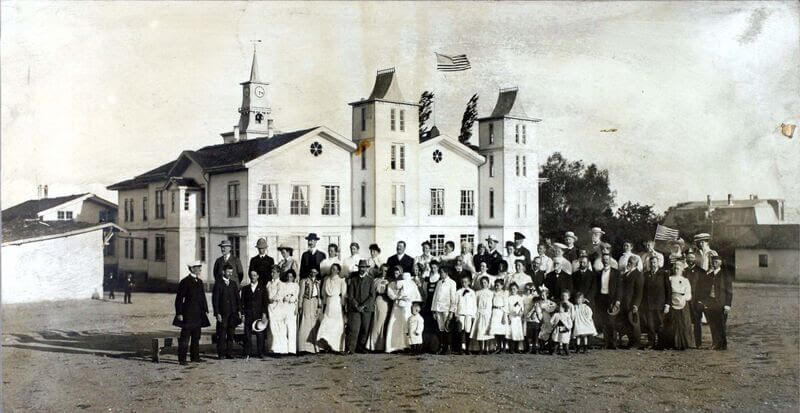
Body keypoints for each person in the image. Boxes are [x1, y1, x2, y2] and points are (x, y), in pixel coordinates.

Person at [175, 261, 211, 365]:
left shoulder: (199, 281)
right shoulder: (185, 282)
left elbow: (202, 297)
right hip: (187, 314)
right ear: (192, 269)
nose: (200, 269)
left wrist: (205, 310)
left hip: (198, 314)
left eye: (200, 267)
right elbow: (179, 299)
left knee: (196, 336)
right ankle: (182, 359)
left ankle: (195, 357)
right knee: (185, 337)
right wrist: (179, 313)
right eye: (198, 267)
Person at [697, 255, 732, 350]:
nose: (714, 263)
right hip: (711, 302)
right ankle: (715, 343)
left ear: (720, 263)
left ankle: (722, 344)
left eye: (716, 262)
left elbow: (729, 291)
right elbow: (704, 289)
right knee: (713, 324)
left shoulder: (725, 275)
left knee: (721, 324)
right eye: (713, 262)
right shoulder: (709, 275)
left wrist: (728, 305)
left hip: (721, 303)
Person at [385, 269, 422, 353]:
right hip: (397, 307)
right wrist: (398, 297)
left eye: (398, 273)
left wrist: (409, 299)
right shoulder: (393, 284)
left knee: (407, 324)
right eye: (395, 273)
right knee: (396, 324)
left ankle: (408, 345)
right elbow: (391, 294)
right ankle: (394, 346)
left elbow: (416, 296)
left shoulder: (412, 284)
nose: (396, 275)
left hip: (408, 306)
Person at [345, 260, 376, 354]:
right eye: (360, 267)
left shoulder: (371, 280)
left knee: (365, 329)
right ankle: (351, 348)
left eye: (364, 267)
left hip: (367, 309)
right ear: (358, 268)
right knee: (354, 328)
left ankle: (361, 347)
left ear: (367, 268)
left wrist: (363, 305)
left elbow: (372, 295)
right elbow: (350, 295)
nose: (362, 269)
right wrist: (356, 305)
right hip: (355, 309)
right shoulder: (354, 280)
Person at [613, 255, 644, 349]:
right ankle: (631, 342)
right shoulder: (626, 274)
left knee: (634, 323)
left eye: (631, 263)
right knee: (627, 323)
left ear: (635, 264)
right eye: (629, 262)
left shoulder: (638, 275)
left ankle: (637, 343)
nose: (629, 264)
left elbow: (639, 292)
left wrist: (636, 305)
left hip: (632, 303)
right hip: (624, 303)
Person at [316, 263, 348, 353]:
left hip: (336, 304)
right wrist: (323, 306)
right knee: (326, 323)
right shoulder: (327, 280)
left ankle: (337, 347)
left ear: (338, 271)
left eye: (335, 269)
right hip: (329, 304)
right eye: (331, 269)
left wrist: (343, 306)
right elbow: (324, 294)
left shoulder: (341, 281)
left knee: (337, 325)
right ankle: (326, 345)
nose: (332, 270)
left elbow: (343, 295)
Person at [640, 255, 669, 350]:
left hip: (660, 304)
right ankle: (651, 342)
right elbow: (643, 290)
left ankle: (661, 344)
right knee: (650, 325)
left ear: (658, 263)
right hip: (648, 304)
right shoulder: (645, 274)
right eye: (651, 263)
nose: (653, 264)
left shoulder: (663, 274)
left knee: (660, 324)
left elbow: (668, 290)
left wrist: (667, 304)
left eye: (654, 262)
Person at [212, 264, 241, 359]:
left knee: (231, 333)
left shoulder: (233, 284)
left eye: (231, 272)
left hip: (232, 313)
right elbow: (215, 300)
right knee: (222, 333)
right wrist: (217, 313)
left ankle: (229, 352)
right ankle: (221, 353)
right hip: (223, 314)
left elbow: (237, 298)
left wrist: (239, 310)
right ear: (223, 272)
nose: (229, 274)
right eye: (228, 272)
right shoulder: (218, 284)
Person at [664, 259, 694, 350]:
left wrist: (683, 298)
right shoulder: (669, 279)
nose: (676, 269)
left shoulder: (685, 280)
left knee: (683, 323)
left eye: (678, 268)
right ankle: (671, 343)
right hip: (672, 302)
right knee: (672, 323)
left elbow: (688, 293)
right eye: (675, 267)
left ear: (682, 269)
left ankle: (683, 343)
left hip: (682, 303)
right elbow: (667, 291)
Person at [430, 264, 458, 354]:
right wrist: (434, 310)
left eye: (441, 272)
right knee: (440, 328)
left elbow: (453, 298)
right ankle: (441, 347)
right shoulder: (439, 282)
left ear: (446, 273)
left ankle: (448, 347)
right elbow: (435, 296)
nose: (440, 274)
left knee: (447, 328)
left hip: (446, 308)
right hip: (438, 308)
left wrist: (451, 311)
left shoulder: (452, 283)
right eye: (440, 272)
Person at [240, 269, 268, 358]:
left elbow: (265, 302)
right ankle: (247, 352)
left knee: (260, 335)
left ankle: (260, 352)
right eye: (251, 275)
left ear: (258, 276)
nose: (253, 277)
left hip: (259, 315)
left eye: (255, 275)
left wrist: (264, 314)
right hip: (248, 314)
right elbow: (242, 303)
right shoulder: (245, 289)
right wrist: (243, 314)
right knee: (247, 335)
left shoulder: (263, 288)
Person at [597, 252, 621, 349]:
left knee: (612, 321)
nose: (605, 261)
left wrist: (618, 300)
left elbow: (619, 288)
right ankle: (606, 343)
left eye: (607, 260)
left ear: (610, 261)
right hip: (602, 298)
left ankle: (613, 343)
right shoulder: (599, 273)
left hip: (612, 299)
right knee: (604, 322)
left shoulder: (616, 273)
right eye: (604, 260)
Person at [683, 250, 706, 348]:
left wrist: (701, 300)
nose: (690, 260)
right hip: (686, 301)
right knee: (686, 322)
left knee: (697, 323)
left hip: (697, 301)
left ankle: (698, 343)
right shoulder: (684, 271)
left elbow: (704, 288)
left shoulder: (701, 272)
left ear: (695, 259)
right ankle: (687, 342)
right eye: (688, 258)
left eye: (692, 258)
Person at [297, 268, 323, 354]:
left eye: (315, 272)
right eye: (312, 271)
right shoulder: (304, 281)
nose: (313, 273)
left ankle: (314, 347)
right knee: (305, 323)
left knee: (314, 323)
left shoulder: (318, 282)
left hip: (314, 302)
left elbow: (319, 296)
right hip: (307, 302)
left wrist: (319, 306)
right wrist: (300, 305)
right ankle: (303, 347)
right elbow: (301, 294)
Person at [266, 267, 291, 356]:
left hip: (278, 307)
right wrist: (268, 300)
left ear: (278, 273)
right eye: (271, 272)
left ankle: (280, 349)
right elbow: (266, 294)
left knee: (279, 327)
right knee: (272, 327)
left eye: (274, 272)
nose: (272, 274)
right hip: (270, 307)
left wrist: (272, 299)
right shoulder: (269, 284)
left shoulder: (281, 284)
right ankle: (273, 348)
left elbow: (280, 295)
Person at [367, 264, 391, 352]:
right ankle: (374, 345)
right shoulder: (376, 280)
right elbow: (372, 292)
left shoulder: (390, 280)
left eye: (386, 270)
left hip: (386, 301)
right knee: (376, 322)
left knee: (384, 323)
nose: (384, 272)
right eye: (383, 270)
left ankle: (382, 345)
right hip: (378, 300)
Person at [453, 274, 476, 354]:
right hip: (461, 313)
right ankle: (461, 348)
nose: (464, 283)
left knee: (468, 331)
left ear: (469, 282)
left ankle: (467, 349)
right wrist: (456, 315)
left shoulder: (472, 292)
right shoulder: (458, 292)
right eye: (463, 282)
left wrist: (473, 315)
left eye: (466, 282)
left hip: (469, 314)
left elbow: (474, 305)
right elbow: (455, 304)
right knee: (460, 331)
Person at [472, 276, 494, 355]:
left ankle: (487, 349)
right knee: (480, 331)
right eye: (482, 283)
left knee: (487, 332)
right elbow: (475, 304)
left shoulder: (491, 293)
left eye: (485, 282)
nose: (483, 284)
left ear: (488, 283)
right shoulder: (477, 293)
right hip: (480, 313)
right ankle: (481, 349)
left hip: (488, 314)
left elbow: (493, 304)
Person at [488, 279, 509, 354]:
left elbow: (506, 305)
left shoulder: (504, 293)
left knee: (502, 331)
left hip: (501, 312)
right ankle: (498, 347)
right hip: (494, 312)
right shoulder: (493, 293)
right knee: (496, 330)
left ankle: (503, 348)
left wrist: (504, 316)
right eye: (495, 285)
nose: (496, 287)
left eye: (498, 285)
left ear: (502, 286)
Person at [537, 286, 558, 354]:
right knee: (542, 333)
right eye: (542, 295)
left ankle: (550, 348)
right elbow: (538, 311)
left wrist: (548, 309)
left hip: (549, 319)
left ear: (547, 295)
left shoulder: (550, 302)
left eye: (544, 295)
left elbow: (554, 308)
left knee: (550, 333)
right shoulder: (540, 303)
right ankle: (542, 348)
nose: (543, 296)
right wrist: (540, 317)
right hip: (543, 318)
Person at [506, 283, 525, 353]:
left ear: (517, 289)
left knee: (517, 332)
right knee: (511, 332)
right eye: (511, 289)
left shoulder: (520, 298)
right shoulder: (509, 298)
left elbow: (522, 308)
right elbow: (507, 308)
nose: (513, 290)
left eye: (514, 289)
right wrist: (509, 316)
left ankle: (517, 348)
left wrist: (520, 313)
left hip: (517, 318)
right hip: (511, 317)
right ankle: (511, 349)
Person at [523, 284, 542, 353]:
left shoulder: (539, 309)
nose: (536, 304)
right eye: (534, 302)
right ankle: (529, 348)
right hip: (530, 322)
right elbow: (528, 316)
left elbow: (540, 317)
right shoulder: (531, 308)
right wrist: (532, 310)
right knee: (529, 336)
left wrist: (537, 311)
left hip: (536, 323)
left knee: (536, 337)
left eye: (537, 303)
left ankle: (536, 349)